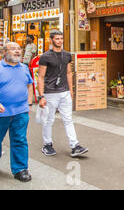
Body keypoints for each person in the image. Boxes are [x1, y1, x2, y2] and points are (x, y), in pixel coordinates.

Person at [37, 30, 88, 158]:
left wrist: (71, 90)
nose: (60, 41)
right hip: (50, 93)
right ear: (51, 40)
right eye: (57, 39)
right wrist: (41, 95)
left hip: (64, 92)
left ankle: (75, 145)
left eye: (61, 38)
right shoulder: (45, 57)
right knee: (49, 120)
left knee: (68, 119)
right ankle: (47, 144)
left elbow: (68, 73)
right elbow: (41, 77)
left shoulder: (67, 55)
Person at [0, 42, 34, 182]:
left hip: (21, 112)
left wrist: (29, 103)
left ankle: (20, 169)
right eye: (13, 49)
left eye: (19, 49)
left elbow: (29, 85)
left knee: (20, 140)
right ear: (4, 52)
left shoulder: (24, 67)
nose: (17, 51)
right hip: (2, 113)